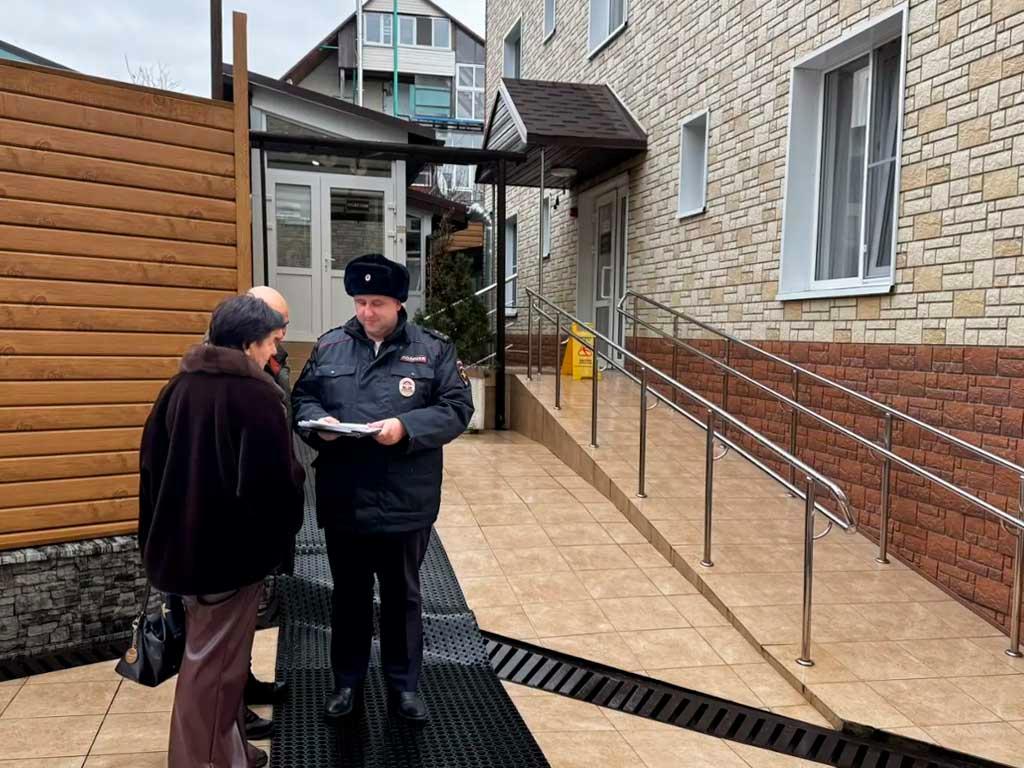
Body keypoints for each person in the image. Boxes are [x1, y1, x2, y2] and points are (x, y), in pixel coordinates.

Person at [292, 253, 474, 724]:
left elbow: (457, 408)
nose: (366, 312)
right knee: (349, 596)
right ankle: (347, 683)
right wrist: (321, 424)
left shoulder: (433, 349)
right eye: (360, 302)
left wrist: (405, 428)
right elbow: (302, 398)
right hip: (345, 496)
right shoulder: (330, 346)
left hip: (405, 498)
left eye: (376, 303)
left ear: (399, 303)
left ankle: (404, 686)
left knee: (402, 597)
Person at [139, 295, 305, 768]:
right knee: (212, 667)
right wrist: (282, 529)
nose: (274, 351)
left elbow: (149, 469)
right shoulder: (256, 397)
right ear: (249, 343)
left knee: (222, 663)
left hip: (182, 552)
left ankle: (231, 751)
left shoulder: (178, 387)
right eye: (271, 341)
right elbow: (271, 487)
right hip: (229, 559)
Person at [244, 286, 293, 716]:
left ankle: (243, 684)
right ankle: (230, 708)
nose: (282, 336)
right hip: (238, 522)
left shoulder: (275, 360)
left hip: (264, 513)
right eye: (277, 329)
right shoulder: (227, 379)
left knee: (245, 617)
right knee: (221, 632)